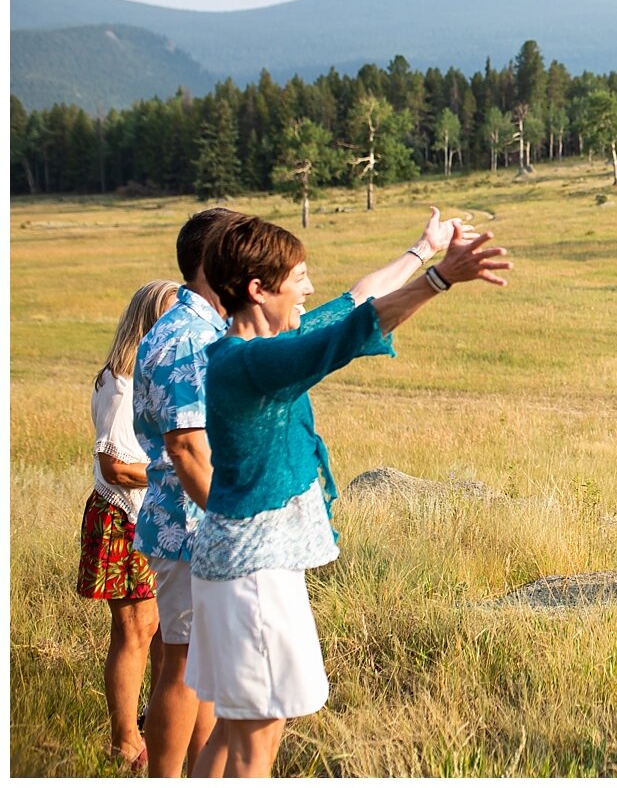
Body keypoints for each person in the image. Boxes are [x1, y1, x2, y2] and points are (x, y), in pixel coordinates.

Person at [134, 205, 469, 776]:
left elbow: (349, 306)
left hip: (238, 564)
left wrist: (423, 250)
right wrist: (437, 280)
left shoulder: (246, 347)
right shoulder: (245, 360)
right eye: (298, 277)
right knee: (256, 741)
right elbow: (345, 335)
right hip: (251, 573)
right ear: (257, 289)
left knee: (233, 727)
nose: (308, 286)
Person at [133, 207, 247, 777]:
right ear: (211, 261)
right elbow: (184, 447)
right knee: (179, 667)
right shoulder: (184, 338)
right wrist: (231, 518)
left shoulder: (208, 328)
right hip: (189, 522)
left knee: (203, 668)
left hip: (200, 522)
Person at [78, 278, 180, 769]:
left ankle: (155, 727)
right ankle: (124, 742)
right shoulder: (120, 383)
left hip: (150, 514)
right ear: (148, 322)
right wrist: (180, 467)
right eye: (171, 315)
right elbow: (114, 465)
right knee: (135, 629)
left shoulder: (152, 377)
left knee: (163, 630)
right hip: (124, 514)